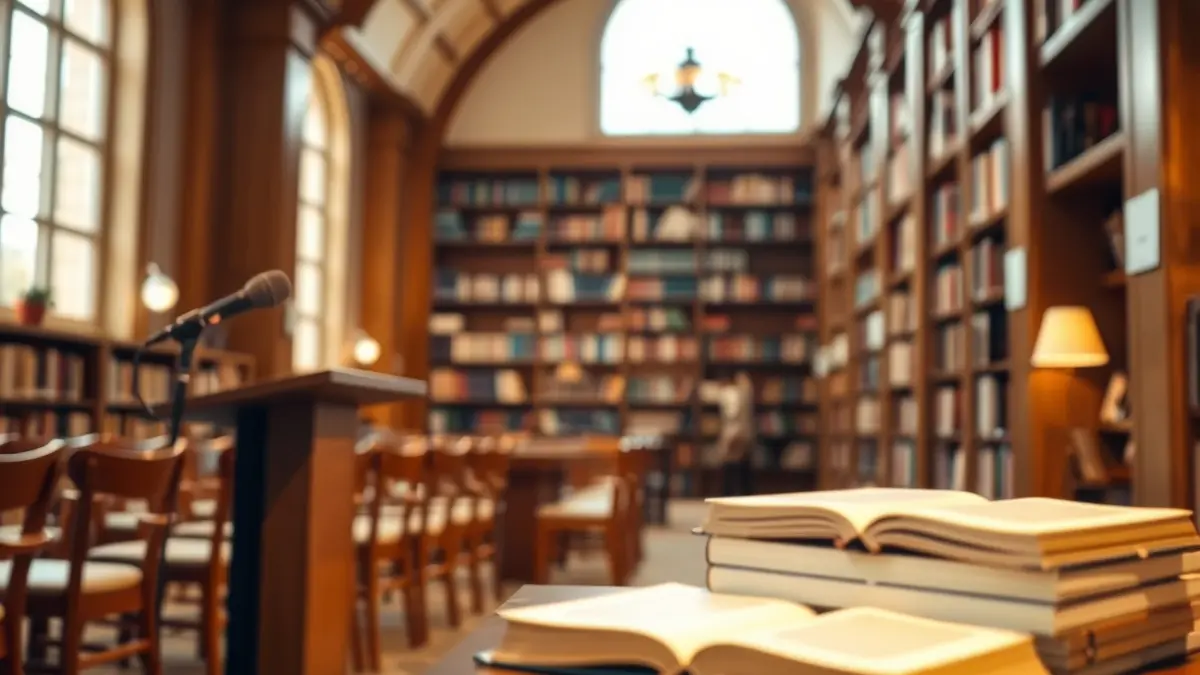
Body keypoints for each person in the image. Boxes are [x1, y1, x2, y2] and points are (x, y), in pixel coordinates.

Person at [717, 372, 755, 496]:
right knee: (732, 466)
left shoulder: (740, 394)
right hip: (735, 433)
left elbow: (734, 414)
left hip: (738, 433)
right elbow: (732, 414)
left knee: (738, 466)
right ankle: (731, 493)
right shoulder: (733, 393)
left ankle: (737, 493)